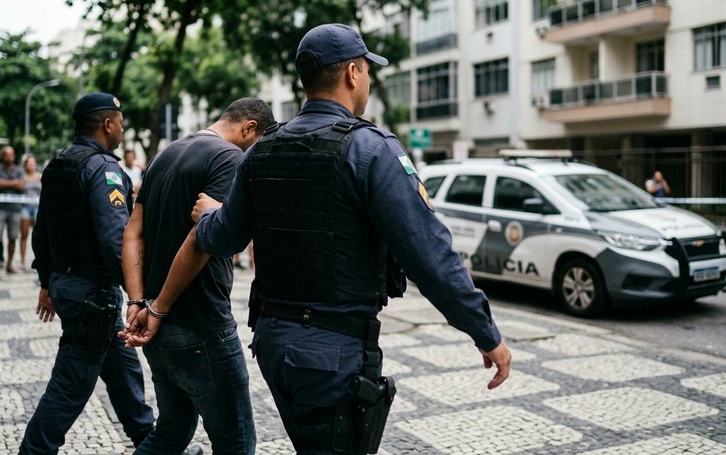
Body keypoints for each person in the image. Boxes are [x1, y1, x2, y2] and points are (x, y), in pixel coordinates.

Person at [137, 23, 513, 454]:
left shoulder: (262, 149)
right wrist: (484, 331)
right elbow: (429, 253)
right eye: (367, 70)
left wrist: (209, 216)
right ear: (353, 73)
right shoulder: (371, 148)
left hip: (274, 346)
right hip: (334, 352)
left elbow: (223, 237)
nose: (368, 79)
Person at [119, 98, 275, 454]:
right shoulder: (230, 158)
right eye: (258, 143)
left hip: (158, 329)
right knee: (236, 443)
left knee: (171, 433)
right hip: (200, 326)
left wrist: (137, 301)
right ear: (249, 128)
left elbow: (132, 233)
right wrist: (157, 308)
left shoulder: (165, 154)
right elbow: (199, 240)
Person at [21, 93, 161, 455]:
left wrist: (47, 281)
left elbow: (42, 230)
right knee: (71, 384)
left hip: (71, 285)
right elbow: (115, 241)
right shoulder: (104, 169)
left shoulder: (58, 164)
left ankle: (151, 444)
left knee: (123, 370)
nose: (122, 129)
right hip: (92, 293)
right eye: (121, 122)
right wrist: (138, 297)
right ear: (108, 124)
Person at [0, 146, 25, 274]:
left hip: (15, 209)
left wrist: (4, 183)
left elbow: (22, 185)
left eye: (11, 154)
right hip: (0, 208)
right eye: (7, 154)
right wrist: (14, 182)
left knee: (13, 237)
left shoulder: (19, 170)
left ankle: (9, 264)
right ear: (2, 156)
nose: (9, 157)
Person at [20, 155, 42, 271]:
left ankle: (39, 260)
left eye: (33, 163)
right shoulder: (22, 176)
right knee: (24, 235)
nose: (32, 165)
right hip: (25, 207)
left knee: (38, 236)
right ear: (25, 165)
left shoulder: (40, 176)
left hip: (37, 208)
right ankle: (22, 262)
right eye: (29, 163)